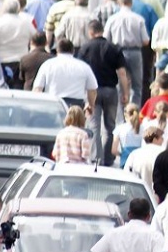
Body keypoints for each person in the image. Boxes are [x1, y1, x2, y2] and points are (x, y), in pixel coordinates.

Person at [78, 19, 130, 166]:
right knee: (110, 126)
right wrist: (125, 92)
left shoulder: (85, 48)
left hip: (91, 91)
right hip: (110, 90)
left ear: (90, 32)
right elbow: (121, 73)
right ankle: (108, 158)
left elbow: (81, 70)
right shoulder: (113, 48)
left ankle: (96, 158)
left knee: (94, 125)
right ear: (102, 30)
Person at [33, 37, 98, 110]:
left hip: (53, 103)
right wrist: (91, 106)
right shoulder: (84, 66)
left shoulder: (47, 65)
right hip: (76, 105)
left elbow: (37, 88)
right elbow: (92, 89)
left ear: (57, 50)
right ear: (73, 51)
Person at [0, 0, 35, 87]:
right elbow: (35, 37)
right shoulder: (26, 23)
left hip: (2, 61)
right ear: (18, 8)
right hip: (21, 61)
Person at [112, 103, 143, 168]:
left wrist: (122, 154)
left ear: (125, 114)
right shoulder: (143, 128)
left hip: (125, 160)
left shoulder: (120, 128)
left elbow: (114, 150)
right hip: (139, 160)